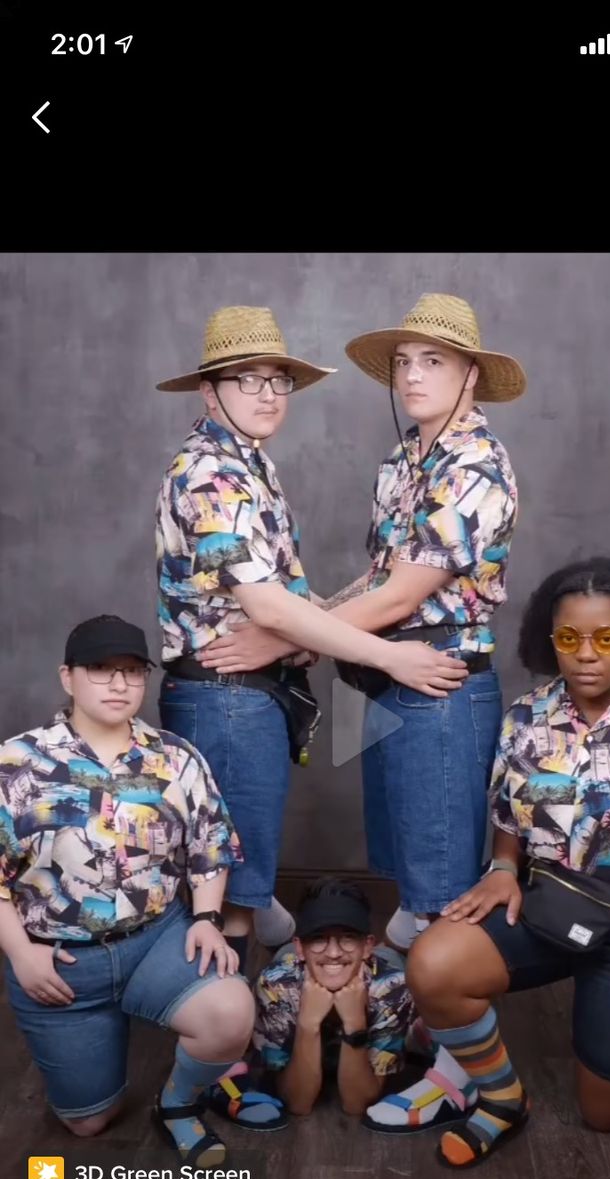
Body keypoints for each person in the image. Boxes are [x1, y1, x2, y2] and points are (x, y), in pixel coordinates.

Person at [393, 557, 610, 1167]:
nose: (586, 654)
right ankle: (501, 1100)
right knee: (436, 964)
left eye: (605, 638)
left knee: (604, 1115)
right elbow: (507, 811)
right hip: (554, 902)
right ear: (551, 640)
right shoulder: (527, 718)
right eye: (569, 638)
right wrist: (502, 868)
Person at [155, 305, 467, 974]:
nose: (268, 395)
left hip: (249, 694)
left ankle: (266, 985)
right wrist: (386, 653)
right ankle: (229, 1043)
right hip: (227, 696)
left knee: (244, 876)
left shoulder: (248, 465)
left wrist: (293, 636)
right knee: (233, 892)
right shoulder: (214, 474)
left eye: (278, 381)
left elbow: (301, 604)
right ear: (210, 391)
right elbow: (268, 605)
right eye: (248, 380)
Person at [0, 615, 284, 1170]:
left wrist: (205, 917)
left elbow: (210, 847)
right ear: (68, 677)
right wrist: (19, 954)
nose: (118, 684)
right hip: (60, 964)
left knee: (230, 1011)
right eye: (101, 670)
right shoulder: (16, 764)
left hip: (153, 940)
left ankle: (176, 1105)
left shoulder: (175, 758)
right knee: (86, 1124)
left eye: (131, 671)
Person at [336, 292, 526, 951]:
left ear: (470, 374)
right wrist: (316, 618)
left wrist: (287, 634)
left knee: (440, 890)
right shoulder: (400, 462)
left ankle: (455, 1048)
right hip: (382, 674)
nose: (413, 376)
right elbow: (381, 578)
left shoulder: (474, 465)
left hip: (439, 684)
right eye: (404, 363)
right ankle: (404, 1023)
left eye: (434, 361)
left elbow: (401, 598)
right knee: (406, 873)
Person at [252, 878, 429, 1117]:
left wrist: (355, 1023)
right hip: (294, 963)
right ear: (301, 948)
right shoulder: (276, 985)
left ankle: (407, 913)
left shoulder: (392, 987)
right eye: (318, 938)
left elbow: (356, 1104)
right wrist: (308, 1023)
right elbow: (298, 1103)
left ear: (367, 947)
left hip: (380, 965)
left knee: (395, 955)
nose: (334, 952)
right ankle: (267, 910)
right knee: (283, 953)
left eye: (347, 937)